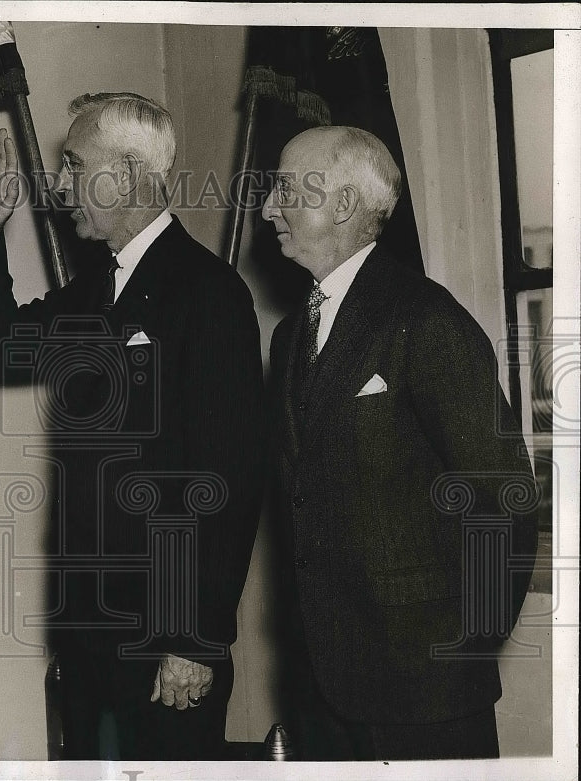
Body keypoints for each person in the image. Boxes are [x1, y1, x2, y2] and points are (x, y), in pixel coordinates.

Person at [0, 93, 265, 760]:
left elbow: (225, 478)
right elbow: (4, 347)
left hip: (164, 640)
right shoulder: (97, 287)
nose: (59, 185)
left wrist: (196, 638)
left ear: (124, 175)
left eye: (73, 165)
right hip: (89, 632)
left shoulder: (208, 294)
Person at [263, 125, 538, 760]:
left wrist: (459, 653)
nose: (268, 207)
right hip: (323, 689)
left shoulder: (425, 320)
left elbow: (504, 501)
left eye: (284, 189)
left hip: (426, 697)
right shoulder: (289, 338)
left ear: (342, 205)